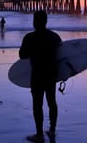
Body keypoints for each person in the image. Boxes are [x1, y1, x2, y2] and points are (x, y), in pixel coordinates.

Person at [19, 10, 62, 142]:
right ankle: (52, 131)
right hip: (51, 74)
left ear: (34, 22)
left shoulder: (29, 38)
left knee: (37, 105)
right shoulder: (54, 37)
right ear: (46, 21)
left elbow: (22, 56)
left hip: (37, 74)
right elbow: (62, 56)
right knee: (52, 102)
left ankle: (39, 134)